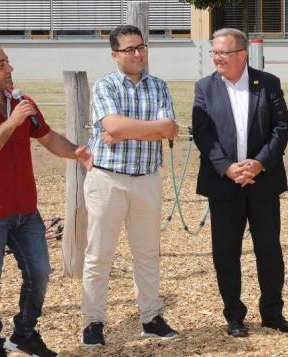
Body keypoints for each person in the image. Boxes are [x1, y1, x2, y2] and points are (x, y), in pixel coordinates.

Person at [0, 38, 92, 357]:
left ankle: (25, 334)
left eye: (8, 61)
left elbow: (48, 136)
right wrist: (12, 123)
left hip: (26, 212)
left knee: (39, 274)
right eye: (1, 64)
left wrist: (76, 152)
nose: (10, 68)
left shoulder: (21, 101)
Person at [192, 28, 288, 337]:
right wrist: (227, 168)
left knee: (269, 250)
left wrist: (259, 162)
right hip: (223, 185)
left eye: (223, 53)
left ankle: (273, 313)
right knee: (225, 252)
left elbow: (281, 127)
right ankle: (234, 316)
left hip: (262, 182)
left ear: (242, 54)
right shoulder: (204, 87)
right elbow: (202, 133)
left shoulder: (267, 83)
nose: (217, 58)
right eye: (214, 53)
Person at [80, 25, 179, 347]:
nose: (138, 54)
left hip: (147, 179)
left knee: (148, 254)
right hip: (108, 179)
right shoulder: (105, 86)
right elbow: (112, 126)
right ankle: (93, 321)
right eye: (129, 50)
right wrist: (144, 129)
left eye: (141, 47)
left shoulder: (159, 86)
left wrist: (126, 130)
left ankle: (151, 317)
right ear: (115, 55)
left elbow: (169, 129)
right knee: (99, 256)